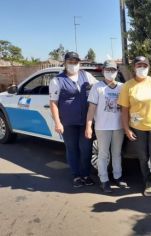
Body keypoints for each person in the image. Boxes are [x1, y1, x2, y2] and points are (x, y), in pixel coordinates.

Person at [118, 56, 151, 197]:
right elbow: (124, 110)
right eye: (139, 65)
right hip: (137, 128)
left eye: (144, 65)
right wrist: (126, 129)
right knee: (142, 157)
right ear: (134, 68)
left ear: (148, 67)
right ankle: (147, 183)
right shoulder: (127, 86)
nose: (142, 68)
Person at [49, 51, 98, 188]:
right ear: (64, 63)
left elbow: (99, 87)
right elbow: (53, 103)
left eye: (75, 62)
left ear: (79, 63)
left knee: (86, 149)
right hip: (68, 123)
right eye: (70, 62)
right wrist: (57, 122)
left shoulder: (86, 75)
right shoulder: (57, 80)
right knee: (72, 149)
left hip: (85, 122)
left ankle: (86, 175)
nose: (73, 64)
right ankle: (76, 176)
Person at [85, 60, 128, 193]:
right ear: (103, 70)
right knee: (103, 154)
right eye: (108, 70)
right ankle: (104, 180)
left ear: (117, 71)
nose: (110, 72)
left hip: (118, 126)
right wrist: (88, 126)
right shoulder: (97, 87)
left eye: (113, 70)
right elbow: (91, 108)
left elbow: (127, 107)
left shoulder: (122, 87)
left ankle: (117, 176)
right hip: (102, 127)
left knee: (116, 153)